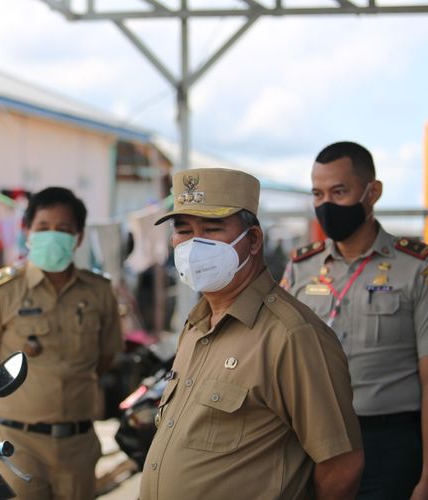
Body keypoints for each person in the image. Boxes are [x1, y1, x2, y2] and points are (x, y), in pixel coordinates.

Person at [140, 167, 364, 500]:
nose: (192, 245)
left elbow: (341, 465)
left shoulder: (291, 335)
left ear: (254, 240)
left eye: (211, 229)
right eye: (183, 230)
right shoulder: (197, 324)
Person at [282, 141, 428, 499]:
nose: (326, 204)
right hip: (313, 442)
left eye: (340, 191)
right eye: (318, 193)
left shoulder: (415, 269)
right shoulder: (301, 268)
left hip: (387, 444)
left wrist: (426, 479)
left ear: (372, 192)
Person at [0, 186, 123, 500]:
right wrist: (3, 397)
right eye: (43, 227)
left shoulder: (99, 291)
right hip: (18, 442)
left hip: (79, 443)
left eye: (63, 229)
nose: (52, 235)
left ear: (79, 237)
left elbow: (107, 354)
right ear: (27, 232)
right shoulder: (2, 289)